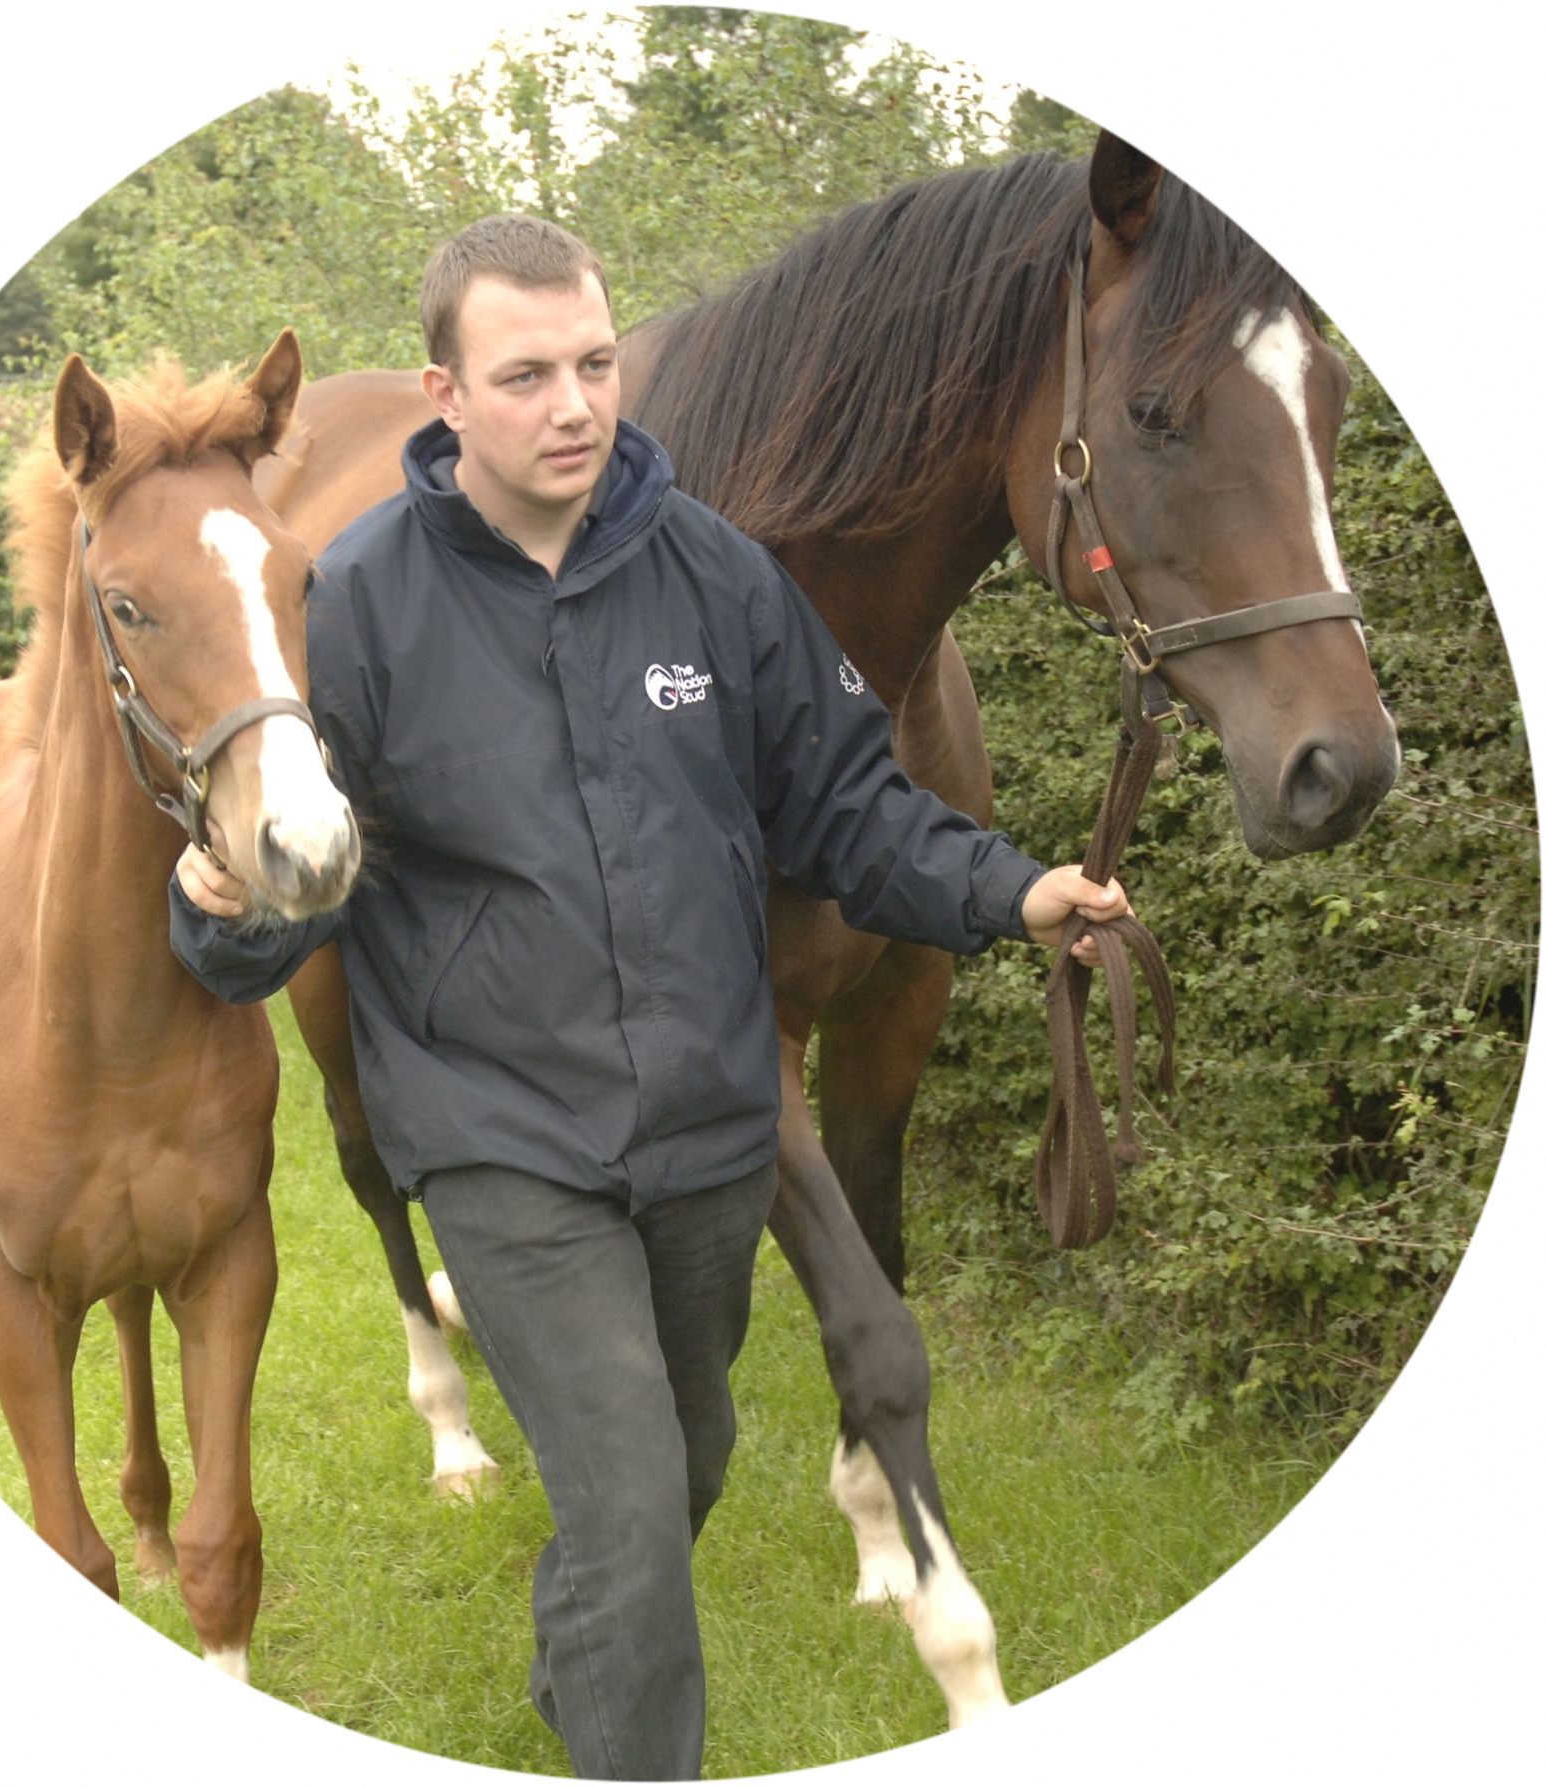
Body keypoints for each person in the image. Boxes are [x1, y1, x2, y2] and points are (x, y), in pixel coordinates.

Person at [169, 214, 1128, 1786]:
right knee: (624, 1508)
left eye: (595, 363)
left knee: (681, 1465)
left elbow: (843, 806)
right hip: (500, 1132)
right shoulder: (356, 601)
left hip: (702, 1121)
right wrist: (217, 918)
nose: (573, 403)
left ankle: (583, 1661)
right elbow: (294, 866)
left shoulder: (716, 574)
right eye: (525, 372)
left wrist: (1011, 890)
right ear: (445, 393)